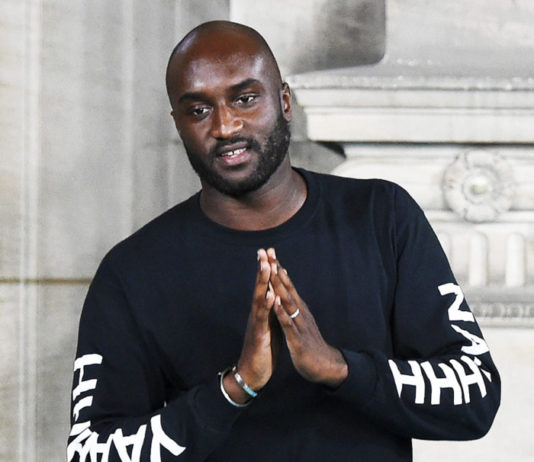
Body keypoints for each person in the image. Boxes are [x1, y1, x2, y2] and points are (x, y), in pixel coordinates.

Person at [67, 20, 500, 462]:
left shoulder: (380, 217)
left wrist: (340, 368)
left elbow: (476, 393)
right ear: (178, 125)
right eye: (198, 110)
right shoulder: (133, 271)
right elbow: (90, 451)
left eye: (245, 99)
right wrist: (234, 388)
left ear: (285, 102)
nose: (225, 126)